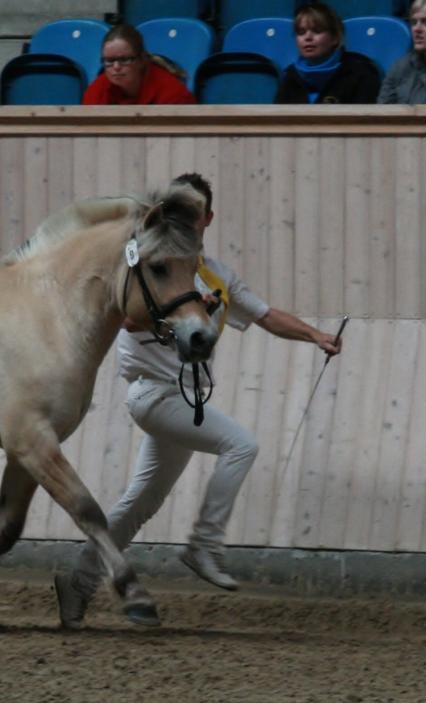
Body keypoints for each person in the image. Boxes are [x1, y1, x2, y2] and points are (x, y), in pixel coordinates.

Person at [53, 173, 344, 630]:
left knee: (140, 503)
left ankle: (79, 583)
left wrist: (315, 335)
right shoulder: (154, 264)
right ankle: (204, 545)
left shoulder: (218, 275)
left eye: (195, 215)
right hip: (153, 392)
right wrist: (189, 309)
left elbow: (266, 316)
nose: (187, 222)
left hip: (184, 400)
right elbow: (130, 321)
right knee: (242, 445)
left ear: (207, 219)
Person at [274, 2, 380, 104]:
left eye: (317, 31)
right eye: (301, 32)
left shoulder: (361, 74)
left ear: (335, 38)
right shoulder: (290, 76)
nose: (308, 37)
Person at [82, 23, 195, 105]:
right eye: (109, 61)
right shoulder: (96, 92)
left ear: (142, 60)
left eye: (125, 59)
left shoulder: (175, 95)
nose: (116, 67)